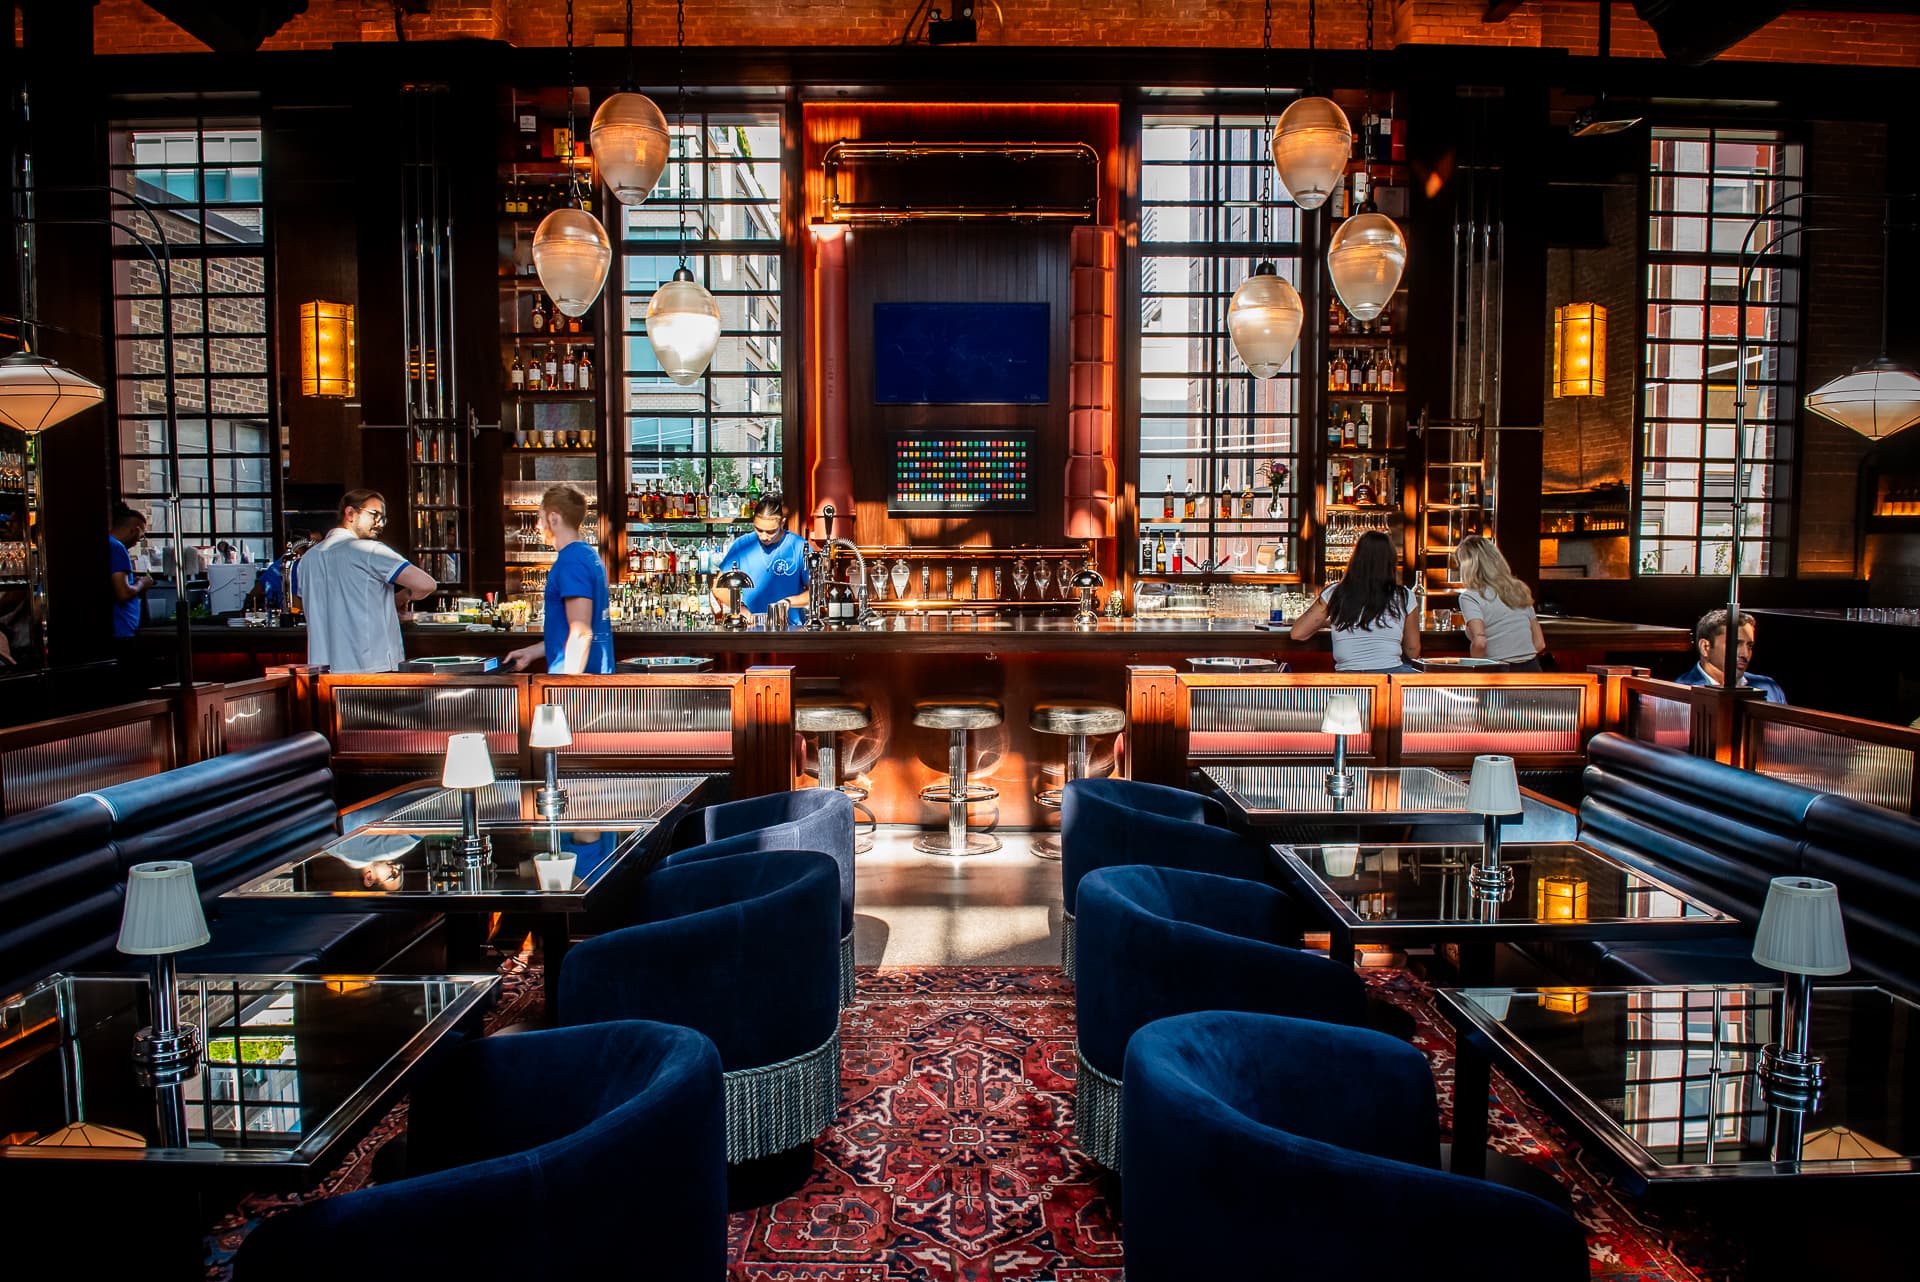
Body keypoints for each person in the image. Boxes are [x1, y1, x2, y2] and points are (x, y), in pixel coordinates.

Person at [295, 489, 436, 674]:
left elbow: (305, 604)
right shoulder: (369, 550)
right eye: (374, 515)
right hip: (371, 669)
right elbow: (427, 584)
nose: (379, 524)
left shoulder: (307, 560)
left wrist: (388, 602)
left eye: (383, 518)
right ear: (350, 513)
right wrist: (402, 597)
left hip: (322, 673)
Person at [507, 484, 614, 674]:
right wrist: (532, 652)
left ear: (554, 518)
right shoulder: (588, 555)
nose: (538, 526)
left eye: (540, 518)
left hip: (576, 687)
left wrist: (565, 687)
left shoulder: (571, 562)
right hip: (593, 679)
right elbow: (572, 630)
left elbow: (581, 632)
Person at [1289, 530, 1421, 673]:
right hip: (1390, 675)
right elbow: (1412, 648)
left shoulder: (1335, 592)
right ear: (1391, 561)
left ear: (1356, 558)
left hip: (1349, 678)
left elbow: (1298, 633)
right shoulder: (1404, 595)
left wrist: (1327, 622)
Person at [1452, 533, 1547, 670]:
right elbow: (1539, 643)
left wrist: (1473, 672)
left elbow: (1480, 642)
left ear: (1467, 567)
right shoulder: (1518, 589)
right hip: (1531, 669)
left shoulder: (1470, 597)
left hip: (1498, 672)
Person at [713, 493, 811, 622]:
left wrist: (789, 602)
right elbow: (718, 588)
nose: (764, 537)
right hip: (751, 627)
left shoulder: (799, 546)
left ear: (782, 523)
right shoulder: (743, 545)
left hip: (790, 629)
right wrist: (739, 607)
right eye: (758, 530)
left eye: (771, 531)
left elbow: (814, 591)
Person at [1674, 608, 1787, 703]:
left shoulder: (1770, 688)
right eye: (1735, 644)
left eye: (1750, 646)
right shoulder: (1681, 692)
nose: (1745, 654)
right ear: (1705, 647)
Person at [108, 501, 152, 643]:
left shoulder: (110, 545)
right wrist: (141, 583)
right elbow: (123, 592)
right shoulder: (117, 548)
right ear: (135, 529)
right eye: (141, 536)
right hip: (122, 630)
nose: (137, 542)